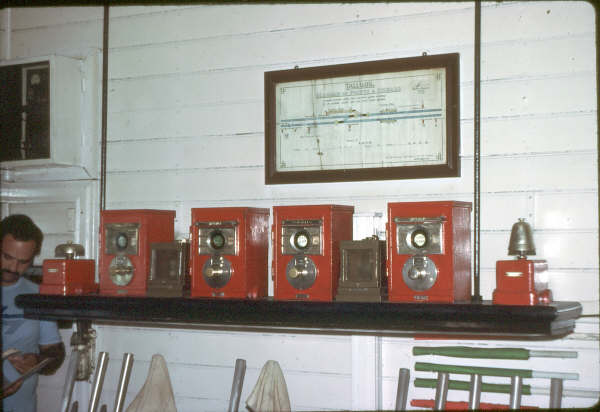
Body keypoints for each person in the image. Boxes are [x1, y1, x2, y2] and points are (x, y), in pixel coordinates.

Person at [2, 214, 65, 412]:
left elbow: (55, 353)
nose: (13, 268)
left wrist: (37, 361)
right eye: (7, 257)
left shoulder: (37, 295)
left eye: (23, 262)